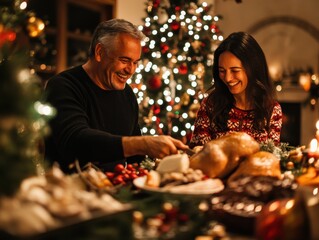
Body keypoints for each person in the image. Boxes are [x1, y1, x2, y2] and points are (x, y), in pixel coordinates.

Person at [44, 19, 188, 173]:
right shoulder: (63, 85)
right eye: (125, 60)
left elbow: (136, 160)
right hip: (67, 191)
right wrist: (143, 143)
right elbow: (74, 140)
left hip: (114, 190)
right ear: (99, 52)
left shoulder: (127, 94)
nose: (131, 70)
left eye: (135, 62)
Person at [189, 32, 282, 148]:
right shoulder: (210, 105)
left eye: (235, 70)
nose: (227, 78)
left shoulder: (271, 110)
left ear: (252, 68)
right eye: (222, 71)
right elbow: (197, 155)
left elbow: (271, 159)